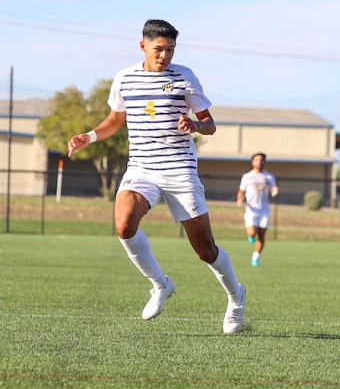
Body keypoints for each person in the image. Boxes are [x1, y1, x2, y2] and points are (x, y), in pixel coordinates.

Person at [67, 19, 247, 334]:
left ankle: (236, 297)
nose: (164, 55)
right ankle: (160, 284)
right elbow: (114, 119)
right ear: (143, 46)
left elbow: (209, 123)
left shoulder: (184, 77)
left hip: (179, 168)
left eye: (170, 49)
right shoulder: (124, 78)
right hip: (141, 167)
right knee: (123, 225)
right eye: (158, 49)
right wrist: (90, 137)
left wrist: (195, 125)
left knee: (205, 250)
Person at [237, 152, 279, 266]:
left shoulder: (269, 176)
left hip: (264, 209)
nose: (259, 162)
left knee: (262, 235)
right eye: (257, 160)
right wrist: (240, 199)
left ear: (264, 162)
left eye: (261, 160)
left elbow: (273, 188)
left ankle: (256, 257)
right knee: (252, 233)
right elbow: (241, 191)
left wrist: (275, 191)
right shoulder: (247, 176)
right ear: (252, 162)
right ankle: (251, 236)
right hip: (251, 209)